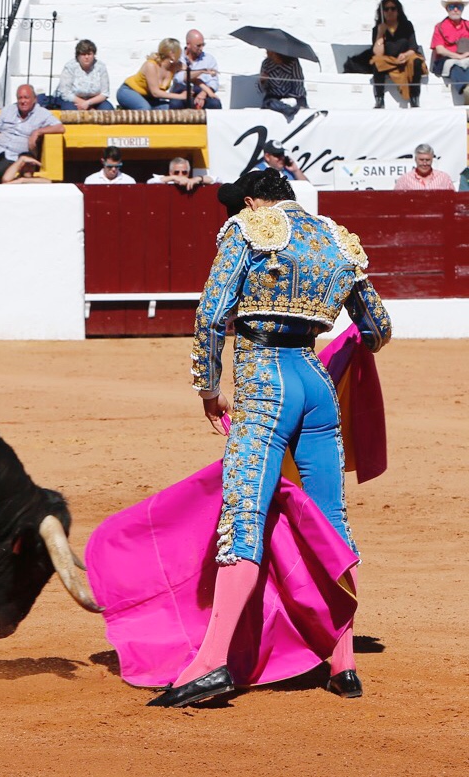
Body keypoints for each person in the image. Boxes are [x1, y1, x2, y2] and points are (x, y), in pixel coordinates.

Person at [146, 168, 392, 708]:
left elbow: (211, 315)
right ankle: (343, 661)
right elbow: (377, 329)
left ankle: (211, 664)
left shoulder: (250, 227)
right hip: (316, 385)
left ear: (255, 200)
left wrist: (208, 388)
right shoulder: (336, 238)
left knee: (245, 515)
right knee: (329, 520)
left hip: (264, 380)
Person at [0, 84, 64, 184]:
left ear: (34, 99)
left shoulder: (42, 113)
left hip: (14, 155)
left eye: (26, 98)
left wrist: (38, 131)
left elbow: (60, 127)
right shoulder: (8, 110)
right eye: (20, 98)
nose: (23, 101)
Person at [369, 1, 425, 108]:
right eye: (386, 9)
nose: (390, 11)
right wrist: (380, 33)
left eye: (393, 8)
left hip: (406, 57)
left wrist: (405, 55)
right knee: (377, 62)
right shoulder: (378, 28)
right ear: (382, 12)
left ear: (398, 10)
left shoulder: (407, 25)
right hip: (388, 60)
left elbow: (413, 47)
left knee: (416, 61)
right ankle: (379, 99)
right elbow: (378, 52)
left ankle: (415, 97)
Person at [116, 38, 189, 110]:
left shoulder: (175, 66)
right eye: (179, 52)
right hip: (130, 91)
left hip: (149, 98)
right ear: (171, 54)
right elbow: (155, 93)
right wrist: (180, 96)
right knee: (145, 109)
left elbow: (190, 71)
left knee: (168, 108)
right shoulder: (151, 65)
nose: (180, 55)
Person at [53, 39, 113, 110]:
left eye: (89, 54)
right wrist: (83, 103)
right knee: (71, 111)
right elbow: (65, 93)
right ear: (78, 56)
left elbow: (104, 93)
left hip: (94, 100)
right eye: (83, 54)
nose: (86, 57)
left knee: (107, 109)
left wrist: (88, 103)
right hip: (72, 99)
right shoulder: (70, 67)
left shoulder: (101, 67)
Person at [170, 30, 222, 110]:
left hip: (202, 93)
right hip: (181, 93)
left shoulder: (209, 59)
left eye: (203, 45)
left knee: (215, 103)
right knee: (175, 104)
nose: (201, 48)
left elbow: (214, 82)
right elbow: (179, 78)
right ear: (188, 44)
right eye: (198, 46)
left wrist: (203, 93)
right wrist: (201, 71)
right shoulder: (179, 58)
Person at [431, 0, 469, 102]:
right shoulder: (439, 27)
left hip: (467, 57)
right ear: (447, 9)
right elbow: (439, 49)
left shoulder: (468, 25)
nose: (456, 10)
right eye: (452, 7)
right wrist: (458, 56)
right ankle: (467, 92)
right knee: (456, 67)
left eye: (459, 7)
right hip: (448, 59)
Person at [260, 50, 308, 119]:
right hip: (274, 97)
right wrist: (263, 81)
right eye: (267, 51)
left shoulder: (293, 62)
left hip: (293, 96)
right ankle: (286, 109)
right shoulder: (266, 64)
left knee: (298, 106)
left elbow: (298, 83)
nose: (267, 53)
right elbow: (262, 89)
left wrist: (290, 99)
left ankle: (288, 109)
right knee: (269, 103)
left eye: (270, 52)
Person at [147, 157, 215, 190]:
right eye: (176, 172)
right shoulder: (167, 182)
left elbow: (216, 179)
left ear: (188, 173)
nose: (180, 175)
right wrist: (173, 178)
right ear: (171, 172)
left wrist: (198, 178)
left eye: (184, 172)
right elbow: (150, 182)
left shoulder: (193, 182)